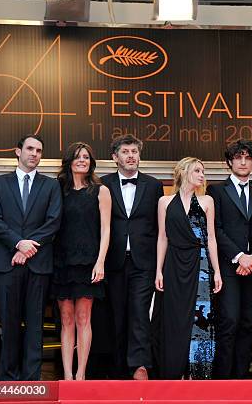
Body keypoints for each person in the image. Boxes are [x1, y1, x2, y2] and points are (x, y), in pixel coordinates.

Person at [0, 135, 62, 381]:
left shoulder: (51, 186)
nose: (34, 154)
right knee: (8, 323)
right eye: (29, 149)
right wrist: (18, 243)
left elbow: (53, 222)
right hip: (6, 264)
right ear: (18, 152)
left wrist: (27, 247)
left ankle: (31, 379)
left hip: (38, 265)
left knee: (35, 324)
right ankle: (8, 378)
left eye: (39, 150)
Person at [101, 134, 163, 380]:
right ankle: (117, 371)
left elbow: (160, 228)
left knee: (139, 313)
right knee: (115, 315)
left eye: (134, 152)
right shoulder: (102, 184)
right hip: (112, 261)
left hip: (143, 262)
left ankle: (140, 366)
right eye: (125, 152)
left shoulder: (154, 185)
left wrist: (159, 265)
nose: (131, 156)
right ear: (115, 157)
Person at [154, 157, 223, 379]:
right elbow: (162, 238)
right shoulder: (165, 202)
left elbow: (211, 238)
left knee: (200, 318)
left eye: (203, 171)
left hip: (201, 263)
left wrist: (217, 271)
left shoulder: (207, 201)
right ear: (184, 172)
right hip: (174, 263)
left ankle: (198, 375)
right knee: (174, 317)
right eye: (197, 170)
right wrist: (158, 270)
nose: (202, 175)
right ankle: (174, 373)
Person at [207, 140, 252, 379]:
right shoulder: (216, 191)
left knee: (247, 324)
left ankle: (242, 379)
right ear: (229, 162)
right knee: (229, 322)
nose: (243, 162)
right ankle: (222, 379)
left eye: (247, 158)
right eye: (238, 157)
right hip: (228, 268)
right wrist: (239, 256)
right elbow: (216, 229)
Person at [53, 142, 111, 380]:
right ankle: (67, 375)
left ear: (91, 162)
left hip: (89, 261)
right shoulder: (57, 189)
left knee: (83, 317)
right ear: (69, 161)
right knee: (66, 319)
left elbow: (107, 230)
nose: (82, 161)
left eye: (86, 157)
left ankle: (80, 375)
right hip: (62, 261)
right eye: (77, 157)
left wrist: (100, 262)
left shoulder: (100, 190)